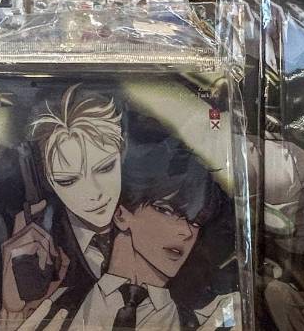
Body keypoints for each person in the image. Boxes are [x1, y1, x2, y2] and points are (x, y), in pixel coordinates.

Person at [46, 138, 235, 331]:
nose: (186, 232)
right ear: (120, 214)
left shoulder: (208, 321)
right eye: (166, 210)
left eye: (195, 222)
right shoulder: (53, 306)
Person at [0, 85, 126, 328]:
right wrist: (14, 313)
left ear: (121, 155)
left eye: (106, 167)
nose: (94, 193)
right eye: (68, 180)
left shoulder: (150, 218)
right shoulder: (35, 246)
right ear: (47, 181)